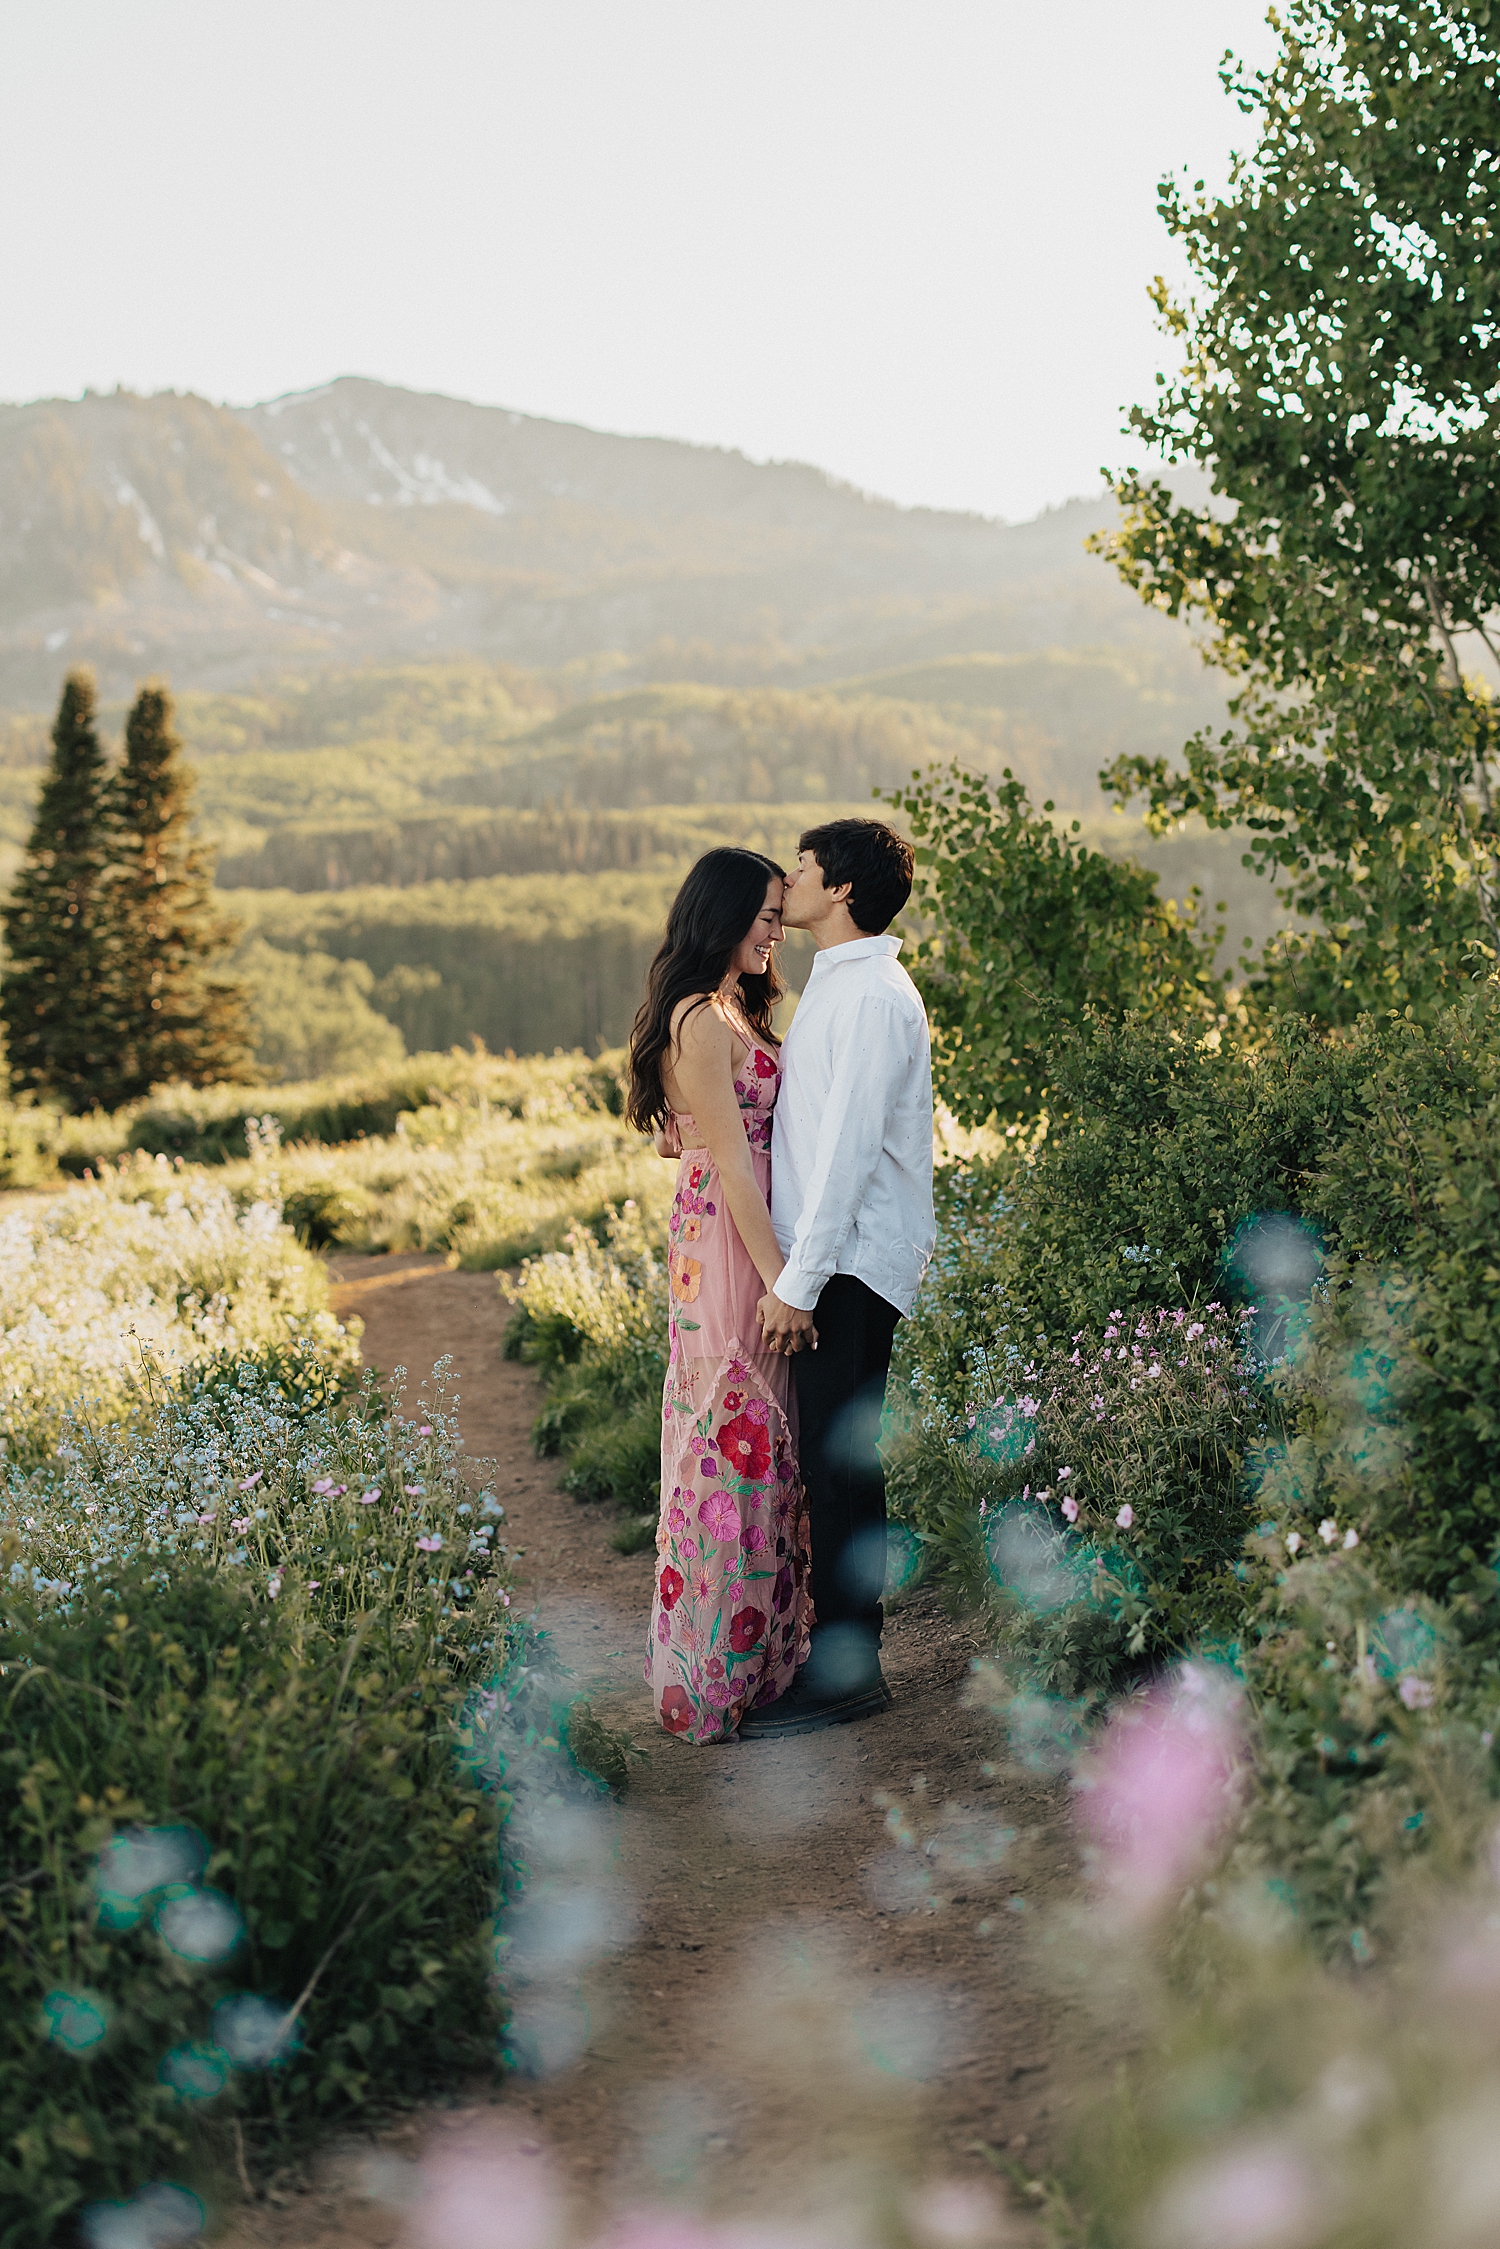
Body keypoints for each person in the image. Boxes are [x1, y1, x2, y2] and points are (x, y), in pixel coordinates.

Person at [740, 818, 934, 1739]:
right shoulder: (841, 985)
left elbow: (849, 1156)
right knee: (830, 1462)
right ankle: (839, 1658)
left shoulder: (871, 998)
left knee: (842, 1467)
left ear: (844, 888)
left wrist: (800, 1282)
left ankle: (851, 1668)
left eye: (807, 864)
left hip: (849, 1264)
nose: (792, 874)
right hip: (837, 1260)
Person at [625, 847, 813, 1744]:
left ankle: (758, 1662)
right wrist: (784, 1280)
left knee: (756, 1429)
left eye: (780, 914)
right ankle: (713, 1675)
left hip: (737, 1220)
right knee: (730, 1428)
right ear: (724, 914)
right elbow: (732, 1160)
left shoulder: (731, 1007)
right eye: (765, 914)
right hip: (732, 1237)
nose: (776, 930)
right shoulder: (702, 1018)